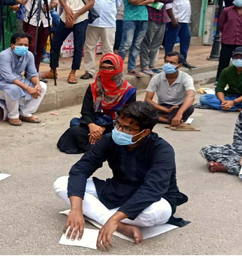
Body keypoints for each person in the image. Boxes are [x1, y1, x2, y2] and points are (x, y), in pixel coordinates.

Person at [56, 102, 189, 250]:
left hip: (153, 198)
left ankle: (109, 217)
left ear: (144, 132)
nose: (119, 131)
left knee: (155, 212)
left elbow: (153, 189)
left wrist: (114, 218)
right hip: (118, 189)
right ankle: (122, 226)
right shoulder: (109, 139)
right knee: (62, 184)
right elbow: (81, 169)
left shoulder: (162, 150)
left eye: (128, 128)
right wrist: (75, 209)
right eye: (118, 124)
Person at [57, 54, 136, 154]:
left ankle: (99, 145)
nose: (106, 71)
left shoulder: (128, 91)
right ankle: (100, 145)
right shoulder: (94, 87)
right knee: (74, 132)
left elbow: (129, 117)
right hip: (95, 123)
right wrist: (92, 125)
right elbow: (86, 111)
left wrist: (105, 127)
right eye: (103, 68)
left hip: (116, 126)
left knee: (120, 137)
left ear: (118, 68)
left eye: (110, 68)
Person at [40, 0, 96, 84]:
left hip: (81, 18)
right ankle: (53, 70)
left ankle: (73, 73)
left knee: (78, 47)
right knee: (55, 44)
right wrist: (67, 9)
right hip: (65, 17)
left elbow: (91, 3)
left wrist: (75, 15)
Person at [0, 33, 47, 126]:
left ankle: (25, 113)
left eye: (26, 45)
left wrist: (37, 85)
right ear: (12, 45)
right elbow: (9, 78)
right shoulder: (4, 55)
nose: (23, 47)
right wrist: (28, 88)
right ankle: (13, 116)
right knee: (14, 89)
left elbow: (33, 73)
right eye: (20, 44)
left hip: (18, 82)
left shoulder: (29, 55)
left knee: (43, 86)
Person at [17, 0, 60, 71]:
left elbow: (56, 0)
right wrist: (22, 1)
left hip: (45, 20)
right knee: (30, 47)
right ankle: (26, 71)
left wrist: (50, 6)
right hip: (30, 18)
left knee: (41, 48)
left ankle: (35, 72)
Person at [81, 0, 122, 79]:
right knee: (89, 47)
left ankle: (106, 71)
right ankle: (89, 71)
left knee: (108, 49)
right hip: (92, 21)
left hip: (109, 22)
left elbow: (118, 3)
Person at [118, 0, 153, 77]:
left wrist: (140, 0)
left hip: (143, 17)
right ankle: (118, 69)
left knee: (137, 45)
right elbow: (131, 0)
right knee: (126, 44)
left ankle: (132, 68)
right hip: (130, 18)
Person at [139, 0, 175, 76]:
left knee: (156, 43)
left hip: (162, 18)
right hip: (150, 16)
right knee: (146, 42)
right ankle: (144, 65)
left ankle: (152, 65)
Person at [200, 47, 242, 111]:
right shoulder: (226, 71)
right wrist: (223, 102)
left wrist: (234, 102)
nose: (238, 60)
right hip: (229, 96)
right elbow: (219, 88)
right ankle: (236, 108)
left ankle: (228, 107)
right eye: (236, 57)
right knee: (204, 98)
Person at [145, 52, 195, 127]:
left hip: (177, 107)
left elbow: (191, 96)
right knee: (143, 108)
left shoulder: (186, 78)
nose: (168, 65)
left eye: (172, 63)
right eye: (166, 62)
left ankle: (162, 118)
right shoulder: (157, 78)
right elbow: (148, 99)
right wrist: (166, 110)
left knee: (190, 107)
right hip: (161, 107)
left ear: (179, 65)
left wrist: (179, 113)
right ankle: (169, 120)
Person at [215, 0, 242, 80]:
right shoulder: (227, 10)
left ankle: (238, 80)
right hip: (228, 40)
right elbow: (221, 24)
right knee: (224, 62)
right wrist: (227, 32)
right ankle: (220, 80)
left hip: (241, 40)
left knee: (241, 62)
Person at [165, 0, 194, 67]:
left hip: (185, 19)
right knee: (171, 41)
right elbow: (168, 4)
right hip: (176, 19)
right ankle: (168, 60)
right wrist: (173, 18)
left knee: (186, 38)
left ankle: (183, 61)